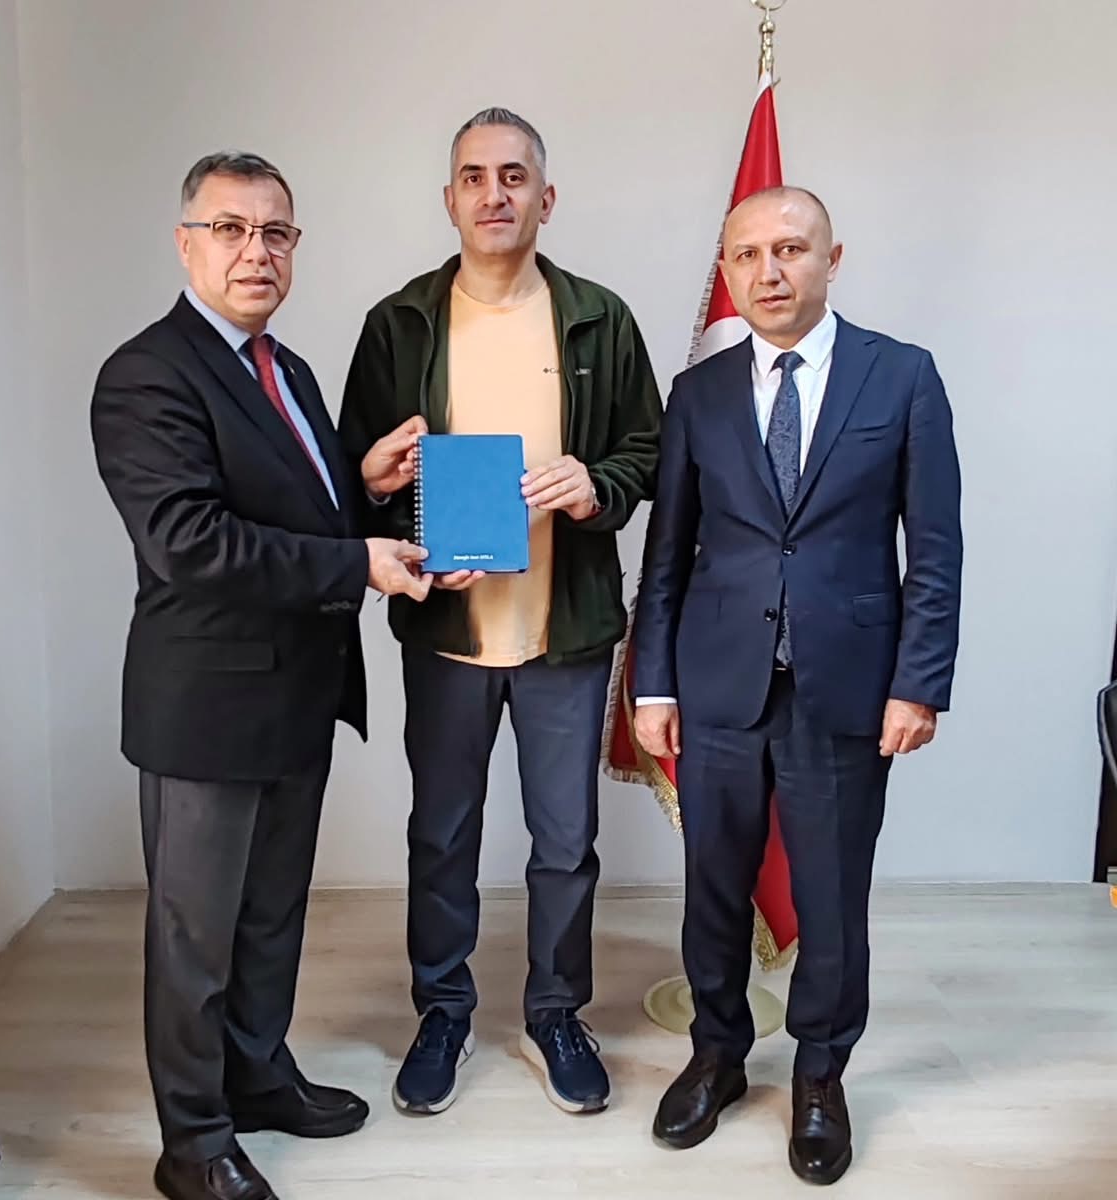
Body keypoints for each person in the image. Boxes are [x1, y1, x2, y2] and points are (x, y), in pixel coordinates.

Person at [91, 150, 431, 1200]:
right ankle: (192, 1144)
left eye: (275, 232)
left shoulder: (287, 371)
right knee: (194, 939)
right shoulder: (147, 373)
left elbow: (295, 509)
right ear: (185, 243)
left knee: (272, 916)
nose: (256, 252)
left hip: (297, 693)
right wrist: (358, 560)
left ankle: (257, 1077)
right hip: (206, 707)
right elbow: (191, 542)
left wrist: (360, 481)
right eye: (231, 229)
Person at [632, 186, 962, 1185]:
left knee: (831, 893)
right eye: (746, 254)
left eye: (789, 249)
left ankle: (821, 1074)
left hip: (848, 688)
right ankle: (718, 1055)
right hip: (717, 684)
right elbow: (667, 555)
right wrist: (652, 684)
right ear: (728, 271)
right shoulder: (699, 392)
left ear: (832, 258)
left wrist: (919, 684)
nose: (767, 272)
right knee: (712, 888)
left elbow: (934, 551)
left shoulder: (901, 376)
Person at [338, 108, 662, 1117]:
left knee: (565, 844)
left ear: (545, 198)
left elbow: (648, 450)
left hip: (565, 629)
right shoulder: (398, 323)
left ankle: (556, 1012)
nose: (494, 194)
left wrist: (595, 485)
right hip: (446, 632)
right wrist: (393, 508)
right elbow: (354, 475)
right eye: (474, 177)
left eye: (513, 176)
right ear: (450, 199)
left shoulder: (600, 318)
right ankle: (443, 1011)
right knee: (442, 836)